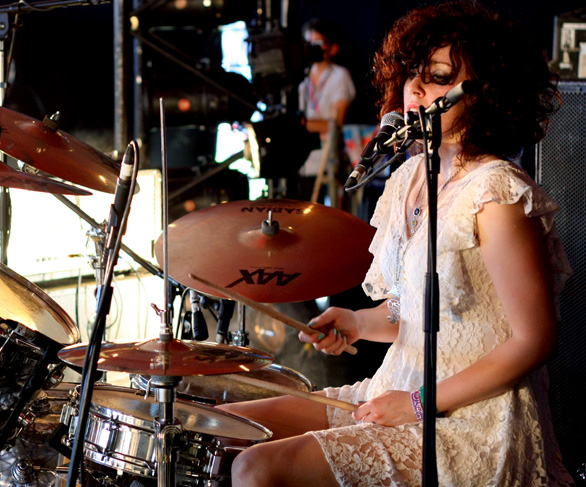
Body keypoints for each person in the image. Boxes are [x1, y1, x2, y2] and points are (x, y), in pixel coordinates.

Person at [220, 2, 575, 486]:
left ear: (486, 92)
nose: (415, 88)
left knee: (256, 468)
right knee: (226, 428)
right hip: (398, 389)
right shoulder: (409, 176)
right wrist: (356, 323)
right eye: (411, 74)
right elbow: (414, 314)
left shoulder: (496, 193)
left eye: (438, 77)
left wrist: (418, 404)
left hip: (471, 422)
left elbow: (536, 340)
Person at [293, 18, 356, 202]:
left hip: (329, 159)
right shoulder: (302, 80)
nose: (311, 48)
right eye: (308, 43)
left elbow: (334, 124)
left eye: (318, 43)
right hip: (304, 159)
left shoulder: (340, 76)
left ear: (332, 48)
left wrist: (302, 124)